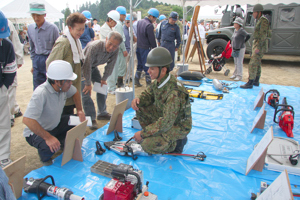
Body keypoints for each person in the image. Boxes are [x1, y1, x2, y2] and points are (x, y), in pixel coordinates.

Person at [23, 60, 85, 166]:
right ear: (57, 81)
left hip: (54, 125)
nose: (71, 84)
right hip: (36, 132)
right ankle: (45, 157)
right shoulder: (41, 93)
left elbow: (75, 92)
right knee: (49, 147)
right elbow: (27, 120)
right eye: (68, 81)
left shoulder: (62, 87)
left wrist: (79, 110)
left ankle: (60, 141)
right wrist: (48, 137)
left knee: (78, 121)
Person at [131, 47, 192, 154]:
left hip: (178, 126)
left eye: (152, 69)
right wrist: (137, 100)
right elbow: (147, 95)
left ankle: (177, 143)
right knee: (140, 105)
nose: (148, 71)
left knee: (147, 145)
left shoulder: (174, 93)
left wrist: (143, 134)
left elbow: (166, 123)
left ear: (163, 70)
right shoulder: (159, 81)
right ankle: (156, 135)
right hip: (167, 119)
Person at [46, 12, 86, 115]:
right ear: (70, 28)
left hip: (71, 90)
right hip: (62, 92)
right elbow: (50, 65)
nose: (81, 32)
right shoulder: (64, 43)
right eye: (78, 29)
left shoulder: (76, 41)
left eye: (83, 29)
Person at [81, 31, 122, 129]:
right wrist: (87, 83)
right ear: (106, 39)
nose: (111, 48)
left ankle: (102, 113)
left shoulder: (116, 50)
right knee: (86, 93)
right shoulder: (95, 46)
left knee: (102, 88)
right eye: (110, 44)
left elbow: (111, 65)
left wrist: (104, 79)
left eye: (115, 46)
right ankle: (91, 119)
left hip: (93, 67)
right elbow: (86, 65)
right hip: (82, 67)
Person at [27, 3, 59, 90]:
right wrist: (34, 64)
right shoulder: (30, 28)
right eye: (33, 15)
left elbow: (58, 48)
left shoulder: (53, 28)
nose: (36, 18)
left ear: (44, 14)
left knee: (52, 86)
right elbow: (32, 48)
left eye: (38, 15)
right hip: (37, 59)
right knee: (37, 87)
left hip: (50, 58)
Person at [0, 11, 17, 168]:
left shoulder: (6, 46)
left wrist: (3, 88)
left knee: (3, 123)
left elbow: (10, 71)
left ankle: (3, 156)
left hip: (0, 90)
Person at [240, 4, 270, 89]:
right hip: (257, 44)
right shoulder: (259, 20)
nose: (253, 14)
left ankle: (250, 82)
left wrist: (258, 47)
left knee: (253, 64)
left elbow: (263, 35)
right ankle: (256, 81)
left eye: (254, 12)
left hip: (259, 45)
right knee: (257, 63)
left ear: (259, 12)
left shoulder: (263, 20)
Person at [135, 8, 159, 87]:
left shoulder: (140, 22)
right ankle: (148, 84)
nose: (154, 20)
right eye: (155, 18)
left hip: (138, 46)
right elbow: (151, 39)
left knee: (139, 65)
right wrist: (155, 48)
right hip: (145, 48)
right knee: (146, 66)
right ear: (151, 16)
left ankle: (136, 80)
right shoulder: (149, 25)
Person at [7, 19, 24, 127]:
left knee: (10, 88)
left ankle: (9, 116)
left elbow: (15, 41)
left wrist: (19, 59)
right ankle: (16, 109)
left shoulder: (5, 21)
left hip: (7, 61)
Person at [107, 6, 128, 93]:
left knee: (116, 68)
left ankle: (114, 85)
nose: (124, 18)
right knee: (118, 68)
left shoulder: (116, 24)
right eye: (123, 16)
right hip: (117, 50)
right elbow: (120, 39)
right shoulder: (118, 24)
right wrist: (124, 49)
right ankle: (114, 86)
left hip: (115, 49)